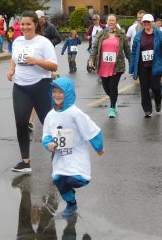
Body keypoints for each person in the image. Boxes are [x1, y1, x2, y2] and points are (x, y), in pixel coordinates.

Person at [42, 77, 105, 217]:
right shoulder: (50, 116)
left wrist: (99, 148)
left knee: (75, 179)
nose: (56, 95)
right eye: (54, 91)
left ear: (68, 93)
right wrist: (49, 144)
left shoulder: (75, 113)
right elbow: (46, 135)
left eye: (60, 92)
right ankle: (71, 203)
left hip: (76, 154)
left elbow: (92, 130)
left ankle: (73, 188)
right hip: (59, 156)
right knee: (59, 180)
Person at [7, 11, 58, 173]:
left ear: (36, 24)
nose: (25, 27)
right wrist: (11, 70)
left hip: (41, 86)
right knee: (21, 124)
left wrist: (36, 61)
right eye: (22, 24)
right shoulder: (17, 41)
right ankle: (25, 162)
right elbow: (14, 59)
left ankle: (61, 158)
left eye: (28, 24)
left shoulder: (44, 43)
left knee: (49, 124)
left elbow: (53, 66)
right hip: (21, 87)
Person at [89, 14, 130, 118]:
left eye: (113, 20)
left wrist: (132, 62)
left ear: (116, 21)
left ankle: (112, 109)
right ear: (106, 21)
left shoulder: (121, 34)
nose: (111, 22)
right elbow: (94, 48)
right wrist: (91, 59)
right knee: (106, 87)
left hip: (117, 66)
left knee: (113, 86)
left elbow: (127, 49)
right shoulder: (101, 34)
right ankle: (113, 99)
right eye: (109, 20)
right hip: (103, 65)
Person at [130, 13, 162, 117]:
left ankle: (158, 101)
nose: (146, 24)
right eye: (145, 22)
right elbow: (134, 52)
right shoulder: (138, 35)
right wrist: (132, 66)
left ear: (152, 22)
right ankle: (147, 110)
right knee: (144, 88)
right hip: (142, 65)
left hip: (156, 64)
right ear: (142, 23)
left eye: (148, 22)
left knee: (155, 87)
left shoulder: (159, 34)